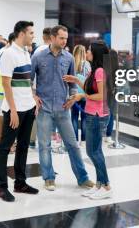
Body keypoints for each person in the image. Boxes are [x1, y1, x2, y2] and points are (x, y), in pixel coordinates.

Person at [31, 25, 94, 192]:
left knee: (73, 145)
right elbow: (29, 80)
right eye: (61, 38)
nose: (65, 41)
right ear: (52, 38)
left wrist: (73, 97)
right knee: (44, 145)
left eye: (66, 38)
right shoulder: (38, 57)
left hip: (63, 108)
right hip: (44, 108)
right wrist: (33, 95)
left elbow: (72, 82)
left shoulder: (69, 58)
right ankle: (49, 178)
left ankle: (83, 178)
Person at [0, 21, 39, 202]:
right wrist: (12, 110)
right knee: (4, 147)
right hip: (14, 109)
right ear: (21, 34)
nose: (32, 36)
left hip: (28, 107)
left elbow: (26, 80)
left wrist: (33, 99)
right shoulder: (8, 53)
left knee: (23, 146)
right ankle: (2, 187)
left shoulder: (26, 53)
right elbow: (6, 83)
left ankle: (20, 182)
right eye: (31, 33)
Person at [65, 40, 113, 199]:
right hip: (93, 114)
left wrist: (82, 96)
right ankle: (99, 185)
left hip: (98, 115)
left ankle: (106, 186)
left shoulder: (100, 71)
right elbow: (89, 87)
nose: (87, 53)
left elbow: (101, 95)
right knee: (93, 151)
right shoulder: (94, 70)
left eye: (90, 51)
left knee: (94, 152)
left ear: (96, 53)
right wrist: (77, 81)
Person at [71, 44, 90, 144]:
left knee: (73, 116)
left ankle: (74, 139)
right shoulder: (87, 64)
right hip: (84, 93)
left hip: (74, 93)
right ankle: (83, 140)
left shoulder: (71, 63)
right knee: (84, 117)